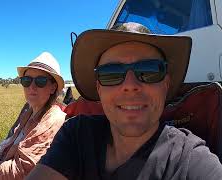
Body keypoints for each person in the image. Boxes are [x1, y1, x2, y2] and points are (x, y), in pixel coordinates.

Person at [26, 23, 222, 180]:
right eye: (111, 74)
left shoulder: (188, 161)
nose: (130, 85)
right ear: (99, 88)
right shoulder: (76, 135)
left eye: (149, 71)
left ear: (166, 84)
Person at [0, 51, 66, 180]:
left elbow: (25, 171)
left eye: (40, 81)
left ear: (53, 88)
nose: (31, 87)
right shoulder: (30, 112)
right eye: (26, 80)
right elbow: (13, 143)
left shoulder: (52, 120)